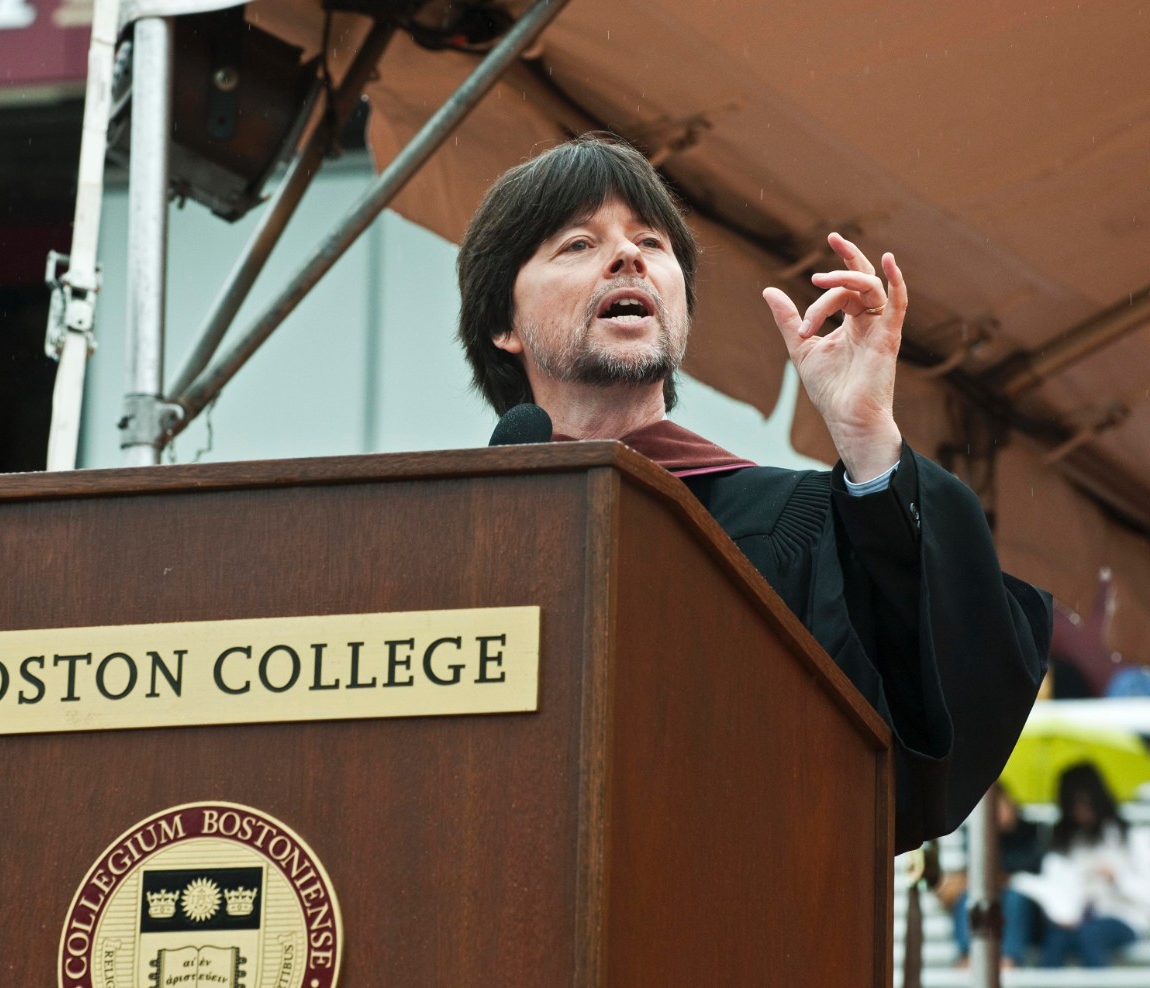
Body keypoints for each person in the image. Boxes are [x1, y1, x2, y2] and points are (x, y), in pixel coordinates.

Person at [457, 134, 1051, 852]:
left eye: (651, 240)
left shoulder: (789, 526)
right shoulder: (446, 543)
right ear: (502, 325)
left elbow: (920, 747)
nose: (628, 256)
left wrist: (865, 435)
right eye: (578, 244)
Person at [1013, 762, 1150, 967]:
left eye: (1085, 803)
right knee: (1056, 939)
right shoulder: (1065, 845)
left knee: (1091, 935)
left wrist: (1118, 878)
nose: (1081, 811)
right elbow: (1057, 893)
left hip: (1124, 918)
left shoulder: (1132, 839)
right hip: (1075, 920)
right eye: (1074, 805)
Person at [935, 783, 1045, 967]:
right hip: (991, 898)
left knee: (1014, 899)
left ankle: (1008, 958)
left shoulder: (1032, 831)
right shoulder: (977, 834)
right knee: (972, 899)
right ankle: (969, 955)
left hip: (1024, 901)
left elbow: (1032, 865)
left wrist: (999, 873)